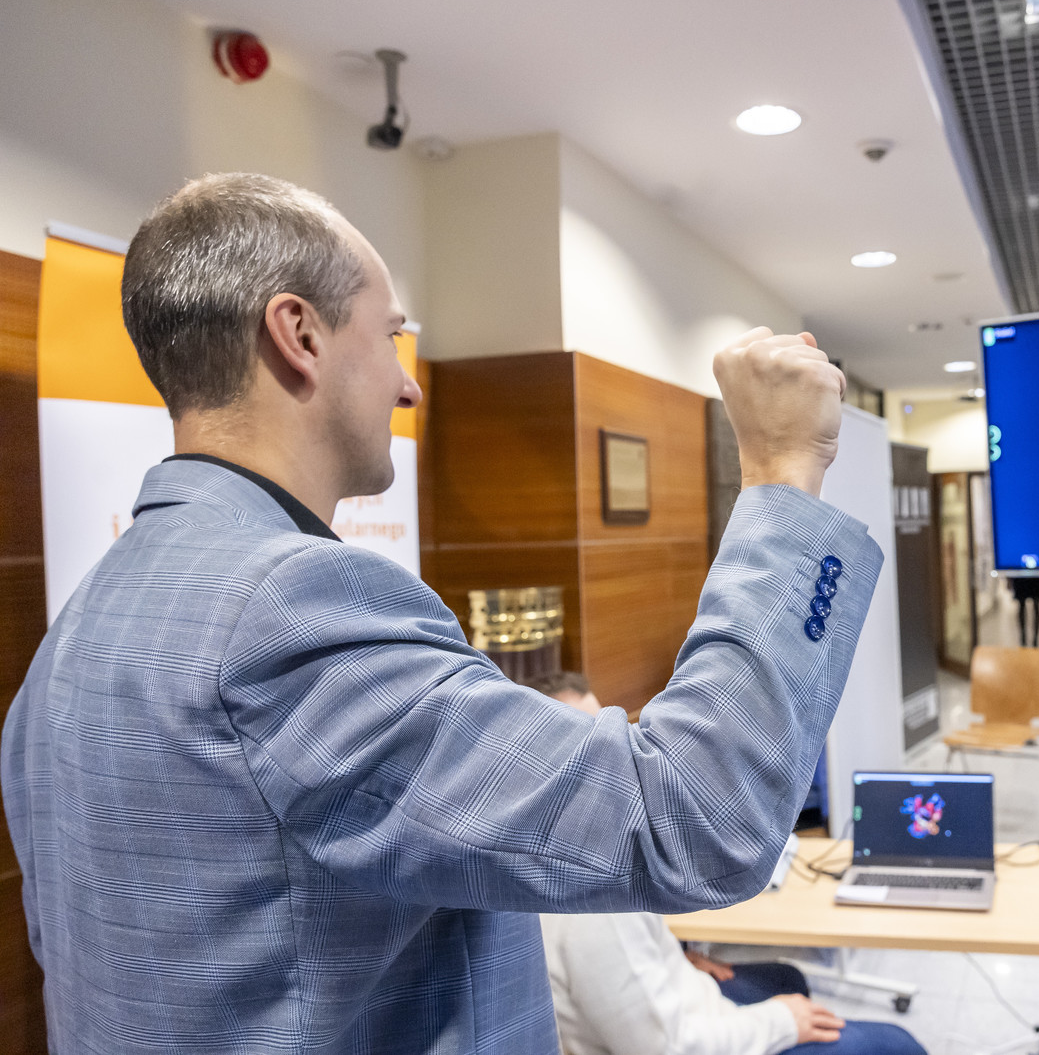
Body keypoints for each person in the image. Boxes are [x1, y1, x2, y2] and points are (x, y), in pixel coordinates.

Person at [0, 173, 883, 1054]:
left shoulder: (70, 640)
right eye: (390, 337)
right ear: (299, 334)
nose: (408, 387)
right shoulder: (288, 610)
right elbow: (697, 820)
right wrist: (783, 472)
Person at [534, 674, 926, 1055]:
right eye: (593, 746)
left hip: (683, 1004)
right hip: (693, 1038)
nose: (616, 757)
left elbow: (622, 974)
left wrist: (672, 958)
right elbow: (669, 1046)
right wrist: (782, 1021)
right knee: (897, 1045)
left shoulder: (567, 857)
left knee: (787, 977)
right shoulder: (593, 910)